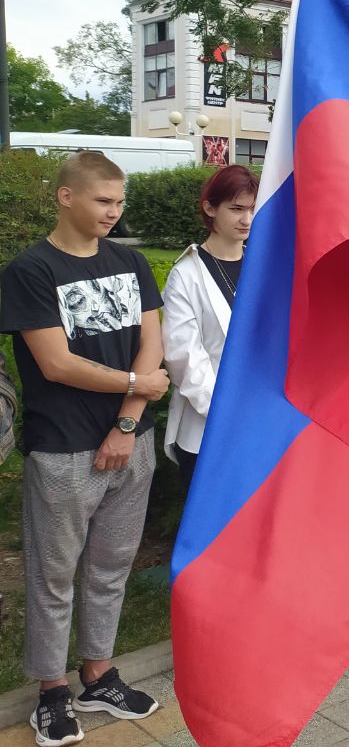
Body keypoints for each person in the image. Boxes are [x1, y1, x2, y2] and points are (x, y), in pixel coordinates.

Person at [1, 152, 169, 745]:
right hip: (63, 450)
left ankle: (98, 674)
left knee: (110, 569)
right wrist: (135, 386)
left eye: (119, 201)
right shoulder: (31, 271)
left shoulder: (129, 261)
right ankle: (51, 691)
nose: (113, 212)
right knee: (53, 577)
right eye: (103, 201)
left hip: (130, 442)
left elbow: (153, 337)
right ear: (66, 197)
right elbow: (54, 362)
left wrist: (126, 422)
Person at [162, 165, 259, 489]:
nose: (246, 219)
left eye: (251, 208)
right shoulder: (186, 275)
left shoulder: (263, 266)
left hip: (263, 421)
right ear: (210, 208)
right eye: (236, 209)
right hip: (209, 426)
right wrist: (226, 411)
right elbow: (183, 356)